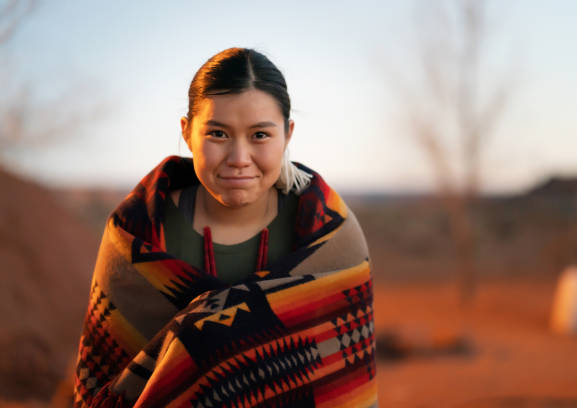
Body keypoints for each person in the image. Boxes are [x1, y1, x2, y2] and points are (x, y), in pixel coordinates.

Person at [73, 47, 377, 408]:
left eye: (260, 135)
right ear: (187, 133)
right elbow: (104, 384)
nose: (239, 159)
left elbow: (343, 384)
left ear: (287, 134)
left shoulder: (330, 237)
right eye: (218, 134)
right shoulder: (136, 234)